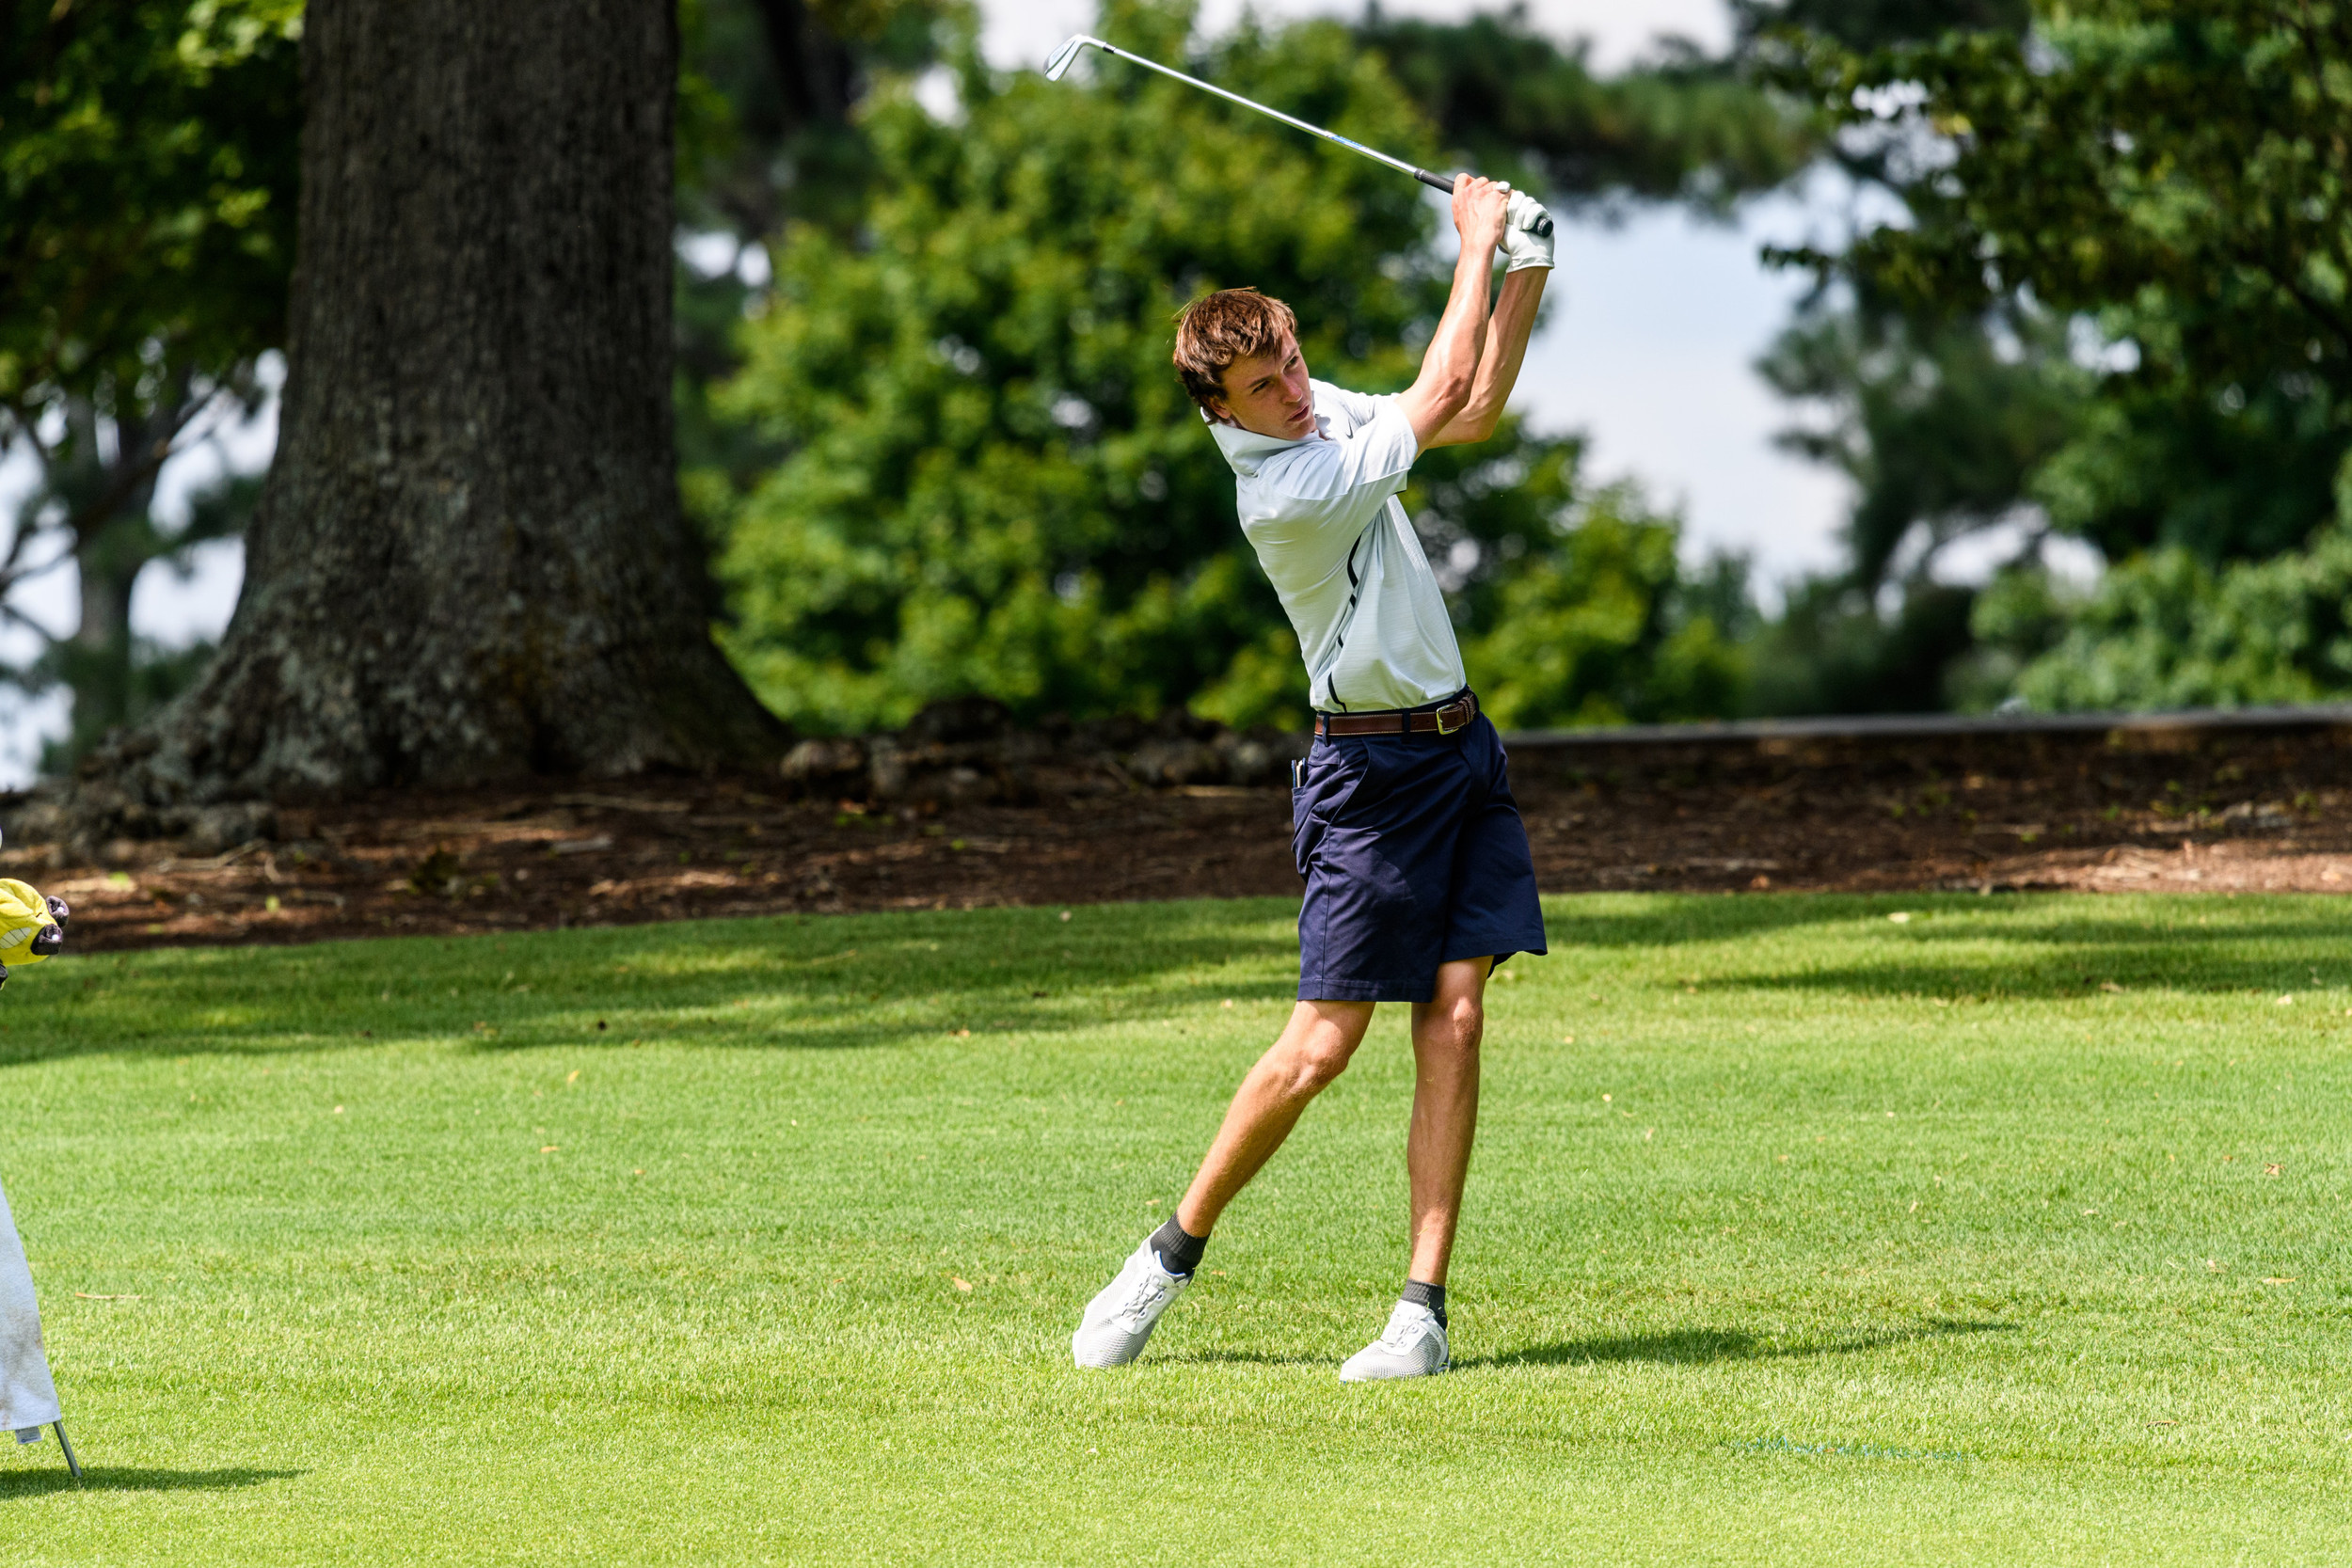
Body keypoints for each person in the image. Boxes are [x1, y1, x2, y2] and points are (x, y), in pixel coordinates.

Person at [1073, 175, 1553, 1380]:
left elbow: (1473, 409)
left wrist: (1529, 268)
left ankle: (1421, 1312)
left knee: (1454, 1012)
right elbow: (1440, 388)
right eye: (1264, 386)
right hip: (1369, 779)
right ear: (1217, 410)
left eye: (1290, 362)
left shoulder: (1317, 411)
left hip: (1462, 752)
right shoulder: (1279, 487)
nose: (1294, 391)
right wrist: (1475, 243)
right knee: (1321, 1045)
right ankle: (1167, 1254)